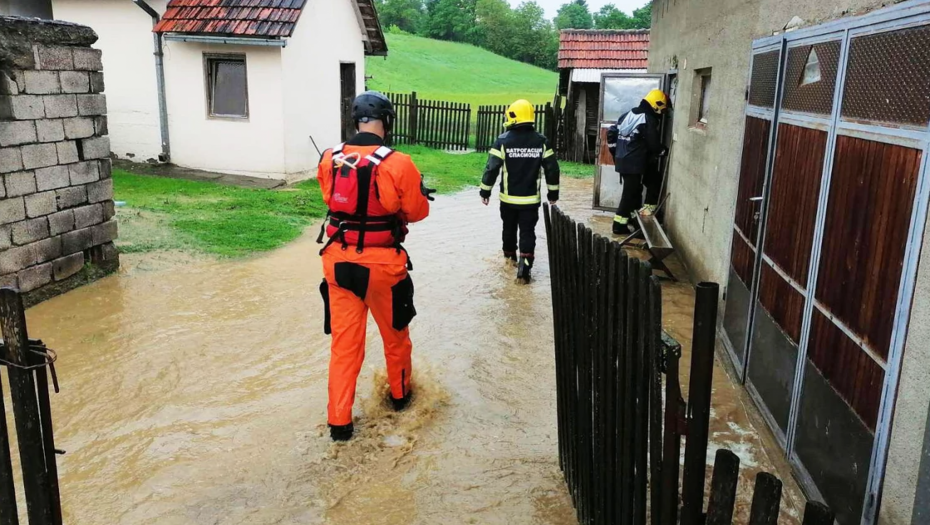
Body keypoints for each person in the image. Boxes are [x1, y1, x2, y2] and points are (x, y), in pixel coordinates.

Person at [316, 91, 435, 442]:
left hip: (337, 263)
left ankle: (339, 424)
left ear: (356, 120)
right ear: (387, 120)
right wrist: (417, 192)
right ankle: (400, 401)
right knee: (396, 338)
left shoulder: (329, 158)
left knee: (344, 346)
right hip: (383, 266)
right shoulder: (399, 163)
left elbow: (330, 198)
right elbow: (416, 212)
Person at [479, 99, 560, 283]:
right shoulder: (542, 142)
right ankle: (524, 270)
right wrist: (553, 194)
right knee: (528, 232)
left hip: (508, 200)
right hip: (530, 201)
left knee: (508, 230)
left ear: (513, 116)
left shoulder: (502, 141)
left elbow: (491, 168)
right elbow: (552, 169)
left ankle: (509, 261)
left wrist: (485, 192)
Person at [607, 89, 669, 235]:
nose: (662, 112)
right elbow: (652, 142)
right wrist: (662, 150)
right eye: (662, 108)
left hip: (624, 161)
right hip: (634, 162)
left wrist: (617, 154)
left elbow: (612, 134)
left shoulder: (628, 114)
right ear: (656, 104)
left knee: (636, 190)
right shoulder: (648, 118)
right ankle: (618, 225)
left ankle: (635, 221)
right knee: (630, 193)